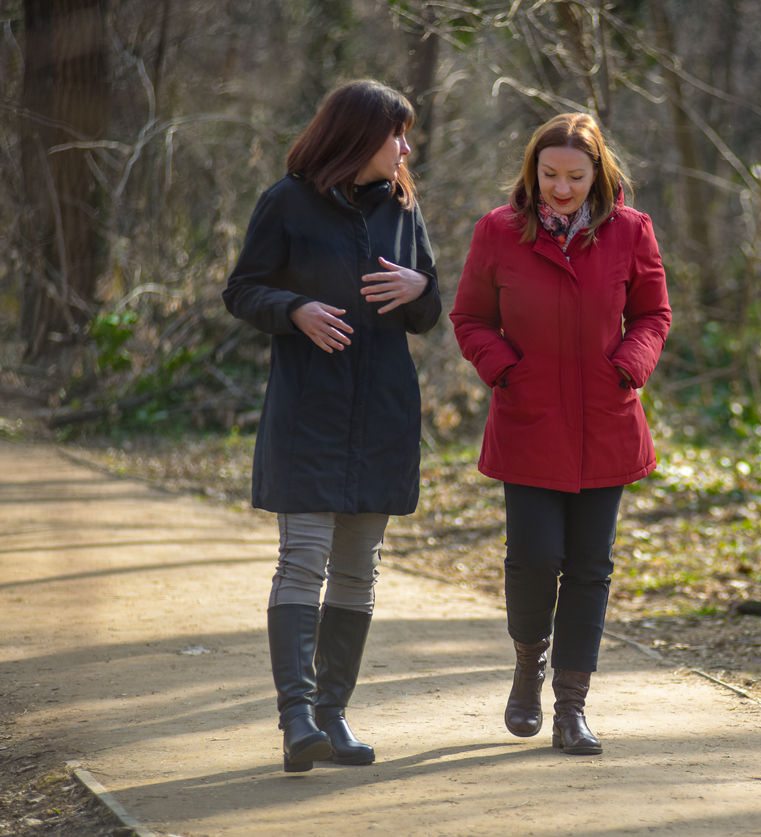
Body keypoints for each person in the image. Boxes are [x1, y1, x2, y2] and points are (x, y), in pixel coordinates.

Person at [222, 79, 441, 772]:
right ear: (358, 136)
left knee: (358, 568)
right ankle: (296, 717)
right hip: (308, 413)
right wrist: (294, 309)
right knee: (303, 557)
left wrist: (421, 289)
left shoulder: (403, 208)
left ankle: (331, 715)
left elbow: (429, 309)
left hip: (383, 414)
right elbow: (242, 289)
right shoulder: (286, 201)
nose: (405, 149)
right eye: (397, 135)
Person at [450, 112, 670, 755]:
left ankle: (572, 708)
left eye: (575, 175)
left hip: (606, 421)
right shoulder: (498, 230)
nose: (562, 188)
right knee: (534, 558)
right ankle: (528, 666)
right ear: (533, 170)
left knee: (590, 567)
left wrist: (628, 366)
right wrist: (505, 370)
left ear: (598, 172)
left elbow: (653, 314)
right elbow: (470, 318)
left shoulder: (631, 231)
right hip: (528, 420)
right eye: (550, 174)